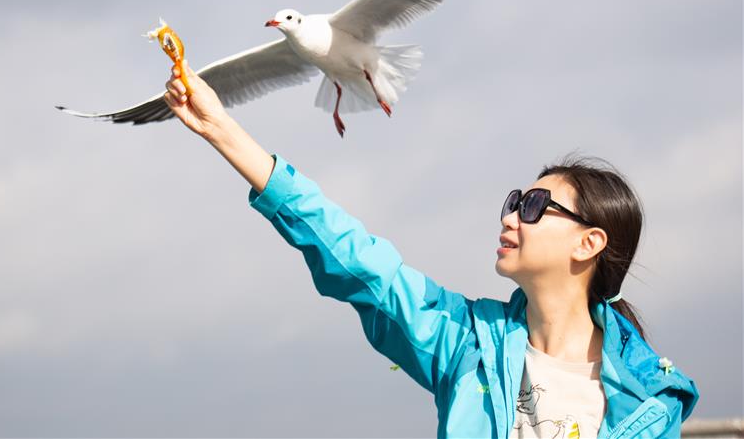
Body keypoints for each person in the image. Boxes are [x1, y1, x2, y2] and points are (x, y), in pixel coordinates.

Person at [163, 61, 699, 438]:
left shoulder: (650, 401)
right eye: (514, 200)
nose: (510, 215)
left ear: (590, 243)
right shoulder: (462, 342)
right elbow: (358, 260)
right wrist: (222, 130)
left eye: (535, 205)